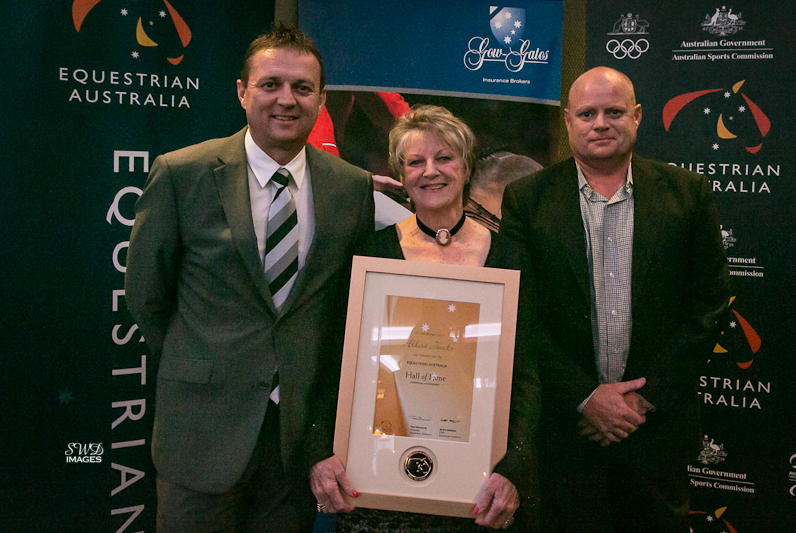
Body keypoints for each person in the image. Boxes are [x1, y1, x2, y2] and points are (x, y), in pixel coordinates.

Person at [125, 24, 374, 532]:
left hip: (295, 446)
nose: (287, 99)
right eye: (270, 84)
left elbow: (345, 308)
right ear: (242, 92)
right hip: (200, 434)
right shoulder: (182, 173)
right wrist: (201, 361)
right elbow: (147, 295)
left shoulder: (351, 188)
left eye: (303, 88)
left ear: (321, 98)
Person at [500, 66, 730, 532]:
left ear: (638, 116)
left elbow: (708, 305)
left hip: (655, 433)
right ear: (568, 120)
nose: (600, 123)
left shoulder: (688, 194)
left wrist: (641, 401)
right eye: (587, 113)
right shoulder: (526, 199)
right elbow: (519, 312)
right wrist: (585, 398)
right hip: (565, 432)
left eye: (613, 111)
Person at [335, 105, 541, 532]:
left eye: (444, 158)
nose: (431, 171)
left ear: (467, 167)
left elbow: (527, 373)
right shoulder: (371, 255)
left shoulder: (510, 258)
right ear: (401, 175)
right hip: (383, 477)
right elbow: (345, 366)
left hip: (481, 483)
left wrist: (514, 468)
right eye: (415, 162)